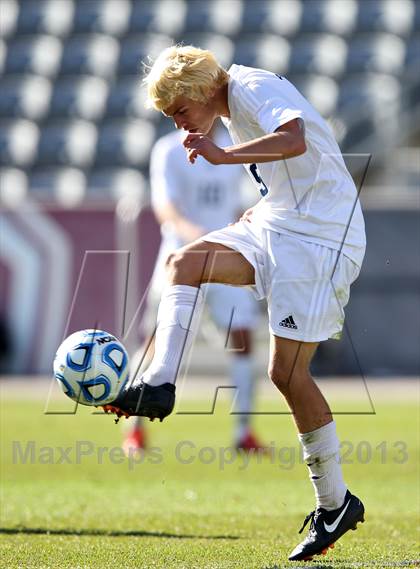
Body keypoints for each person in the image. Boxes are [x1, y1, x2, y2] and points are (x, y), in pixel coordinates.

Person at [104, 46, 366, 562]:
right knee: (182, 264)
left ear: (201, 90)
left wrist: (226, 156)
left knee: (287, 374)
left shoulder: (251, 85)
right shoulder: (232, 107)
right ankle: (158, 385)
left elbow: (296, 139)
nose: (180, 125)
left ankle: (335, 504)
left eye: (180, 111)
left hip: (322, 238)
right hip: (280, 222)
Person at [123, 122, 265, 453]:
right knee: (157, 342)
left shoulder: (232, 145)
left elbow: (235, 205)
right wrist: (196, 235)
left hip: (223, 257)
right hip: (180, 260)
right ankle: (134, 427)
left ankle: (243, 433)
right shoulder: (169, 149)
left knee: (243, 338)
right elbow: (166, 209)